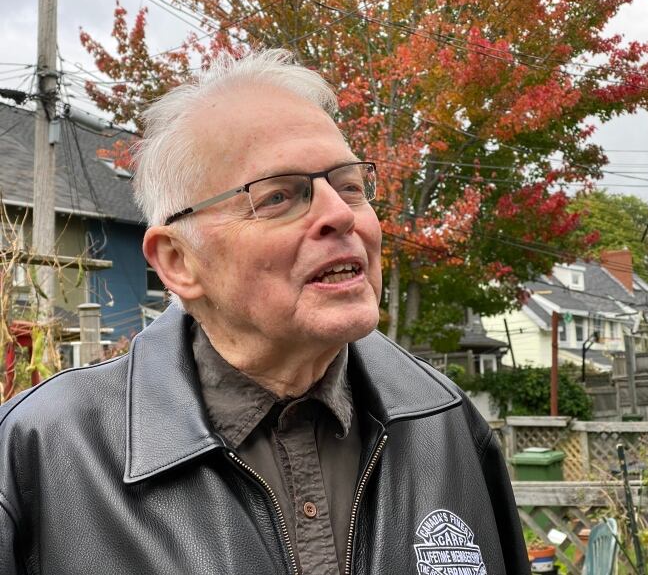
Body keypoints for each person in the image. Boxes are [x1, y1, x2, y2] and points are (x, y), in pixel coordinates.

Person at [0, 49, 531, 575]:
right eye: (279, 196)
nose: (341, 215)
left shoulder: (445, 422)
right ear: (178, 262)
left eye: (350, 186)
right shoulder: (42, 453)